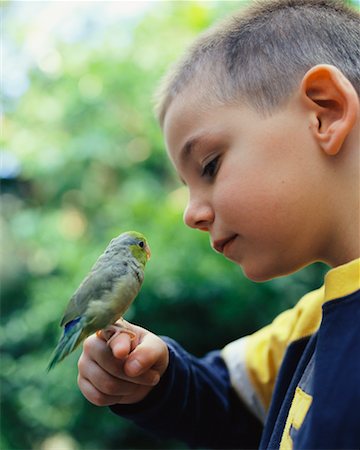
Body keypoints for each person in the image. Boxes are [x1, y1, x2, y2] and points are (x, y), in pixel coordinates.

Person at [77, 0, 360, 448]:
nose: (192, 214)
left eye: (209, 165)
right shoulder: (310, 322)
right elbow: (230, 396)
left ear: (324, 112)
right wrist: (157, 378)